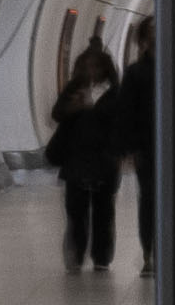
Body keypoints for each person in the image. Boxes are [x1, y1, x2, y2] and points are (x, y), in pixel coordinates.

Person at [48, 35, 125, 272]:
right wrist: (75, 108)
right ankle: (76, 254)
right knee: (76, 210)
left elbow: (122, 122)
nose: (91, 70)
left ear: (105, 68)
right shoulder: (75, 88)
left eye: (95, 66)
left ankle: (102, 257)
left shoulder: (115, 93)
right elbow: (57, 114)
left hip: (105, 158)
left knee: (103, 209)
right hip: (77, 157)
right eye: (86, 66)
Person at [115, 15, 156, 276]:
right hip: (147, 148)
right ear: (142, 40)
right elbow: (125, 113)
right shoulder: (135, 73)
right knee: (150, 200)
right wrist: (128, 149)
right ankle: (149, 253)